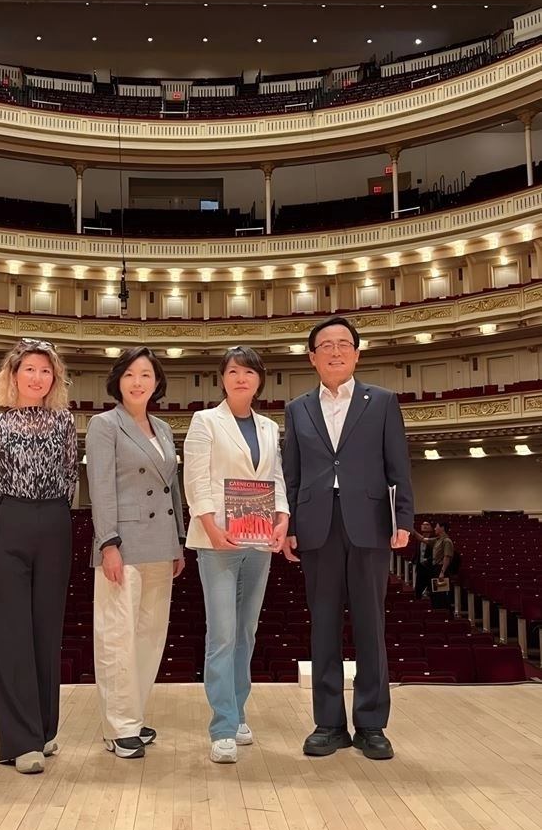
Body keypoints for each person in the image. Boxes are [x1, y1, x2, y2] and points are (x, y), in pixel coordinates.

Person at [282, 317, 413, 761]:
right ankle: (329, 723)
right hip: (317, 524)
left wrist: (404, 518)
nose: (335, 352)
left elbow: (399, 467)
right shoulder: (297, 408)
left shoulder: (382, 402)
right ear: (312, 357)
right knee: (322, 628)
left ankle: (372, 724)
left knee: (370, 626)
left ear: (357, 353)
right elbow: (292, 475)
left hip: (370, 523)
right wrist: (291, 526)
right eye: (326, 346)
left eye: (344, 345)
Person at [183, 345, 289, 764]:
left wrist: (282, 518)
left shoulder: (267, 427)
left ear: (259, 379)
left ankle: (239, 711)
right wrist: (211, 526)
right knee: (223, 634)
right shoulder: (205, 421)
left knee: (246, 633)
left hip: (259, 541)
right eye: (232, 371)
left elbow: (276, 477)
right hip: (218, 543)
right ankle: (222, 726)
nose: (240, 378)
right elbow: (195, 479)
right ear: (222, 379)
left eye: (248, 371)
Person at [0, 338, 77, 774]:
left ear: (54, 379)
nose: (38, 377)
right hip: (10, 523)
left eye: (45, 371)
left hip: (55, 522)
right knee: (12, 633)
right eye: (29, 370)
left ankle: (43, 730)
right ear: (13, 375)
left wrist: (46, 513)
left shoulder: (65, 422)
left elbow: (70, 474)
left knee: (45, 630)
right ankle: (21, 742)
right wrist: (13, 517)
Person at [86, 346, 185, 759]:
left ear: (156, 382)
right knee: (116, 636)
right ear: (118, 381)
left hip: (161, 543)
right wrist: (107, 542)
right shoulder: (104, 425)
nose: (138, 381)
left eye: (145, 374)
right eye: (130, 374)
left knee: (148, 636)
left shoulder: (162, 428)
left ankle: (135, 715)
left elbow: (173, 488)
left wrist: (179, 539)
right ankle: (117, 726)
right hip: (123, 544)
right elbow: (101, 488)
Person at [429, 519, 454, 609]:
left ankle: (445, 615)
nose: (435, 528)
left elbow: (446, 557)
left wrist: (442, 572)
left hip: (441, 569)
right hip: (436, 569)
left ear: (442, 528)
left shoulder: (447, 541)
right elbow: (423, 539)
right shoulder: (437, 540)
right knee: (436, 594)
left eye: (437, 526)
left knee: (441, 595)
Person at [411, 519, 436, 599]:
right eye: (423, 524)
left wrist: (428, 560)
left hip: (430, 569)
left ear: (432, 528)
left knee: (433, 592)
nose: (424, 526)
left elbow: (436, 555)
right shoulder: (419, 540)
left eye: (427, 524)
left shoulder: (434, 540)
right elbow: (417, 553)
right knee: (418, 591)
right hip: (420, 568)